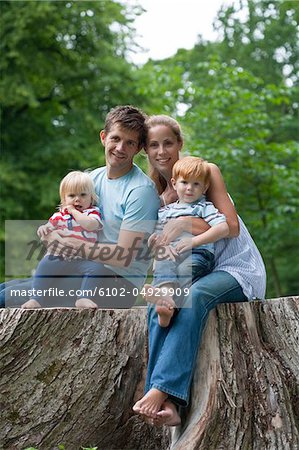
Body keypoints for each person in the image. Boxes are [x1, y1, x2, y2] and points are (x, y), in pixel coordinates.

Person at [133, 114, 266, 426]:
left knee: (194, 296)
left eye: (168, 143)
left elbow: (229, 227)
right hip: (190, 268)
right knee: (161, 304)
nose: (162, 151)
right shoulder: (156, 195)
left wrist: (181, 223)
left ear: (180, 144)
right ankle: (171, 406)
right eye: (153, 145)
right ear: (145, 151)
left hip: (234, 268)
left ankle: (159, 389)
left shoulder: (205, 172)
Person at [1, 105, 160, 308]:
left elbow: (125, 257)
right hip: (78, 270)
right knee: (7, 287)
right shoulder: (91, 179)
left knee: (9, 296)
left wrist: (72, 245)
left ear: (138, 148)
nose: (120, 148)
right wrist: (52, 236)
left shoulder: (140, 191)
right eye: (116, 138)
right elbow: (65, 219)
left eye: (130, 143)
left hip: (117, 284)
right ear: (103, 137)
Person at [143, 156, 229, 327]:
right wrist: (154, 243)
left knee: (184, 269)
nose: (189, 188)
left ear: (205, 187)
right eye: (184, 183)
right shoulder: (165, 211)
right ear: (174, 183)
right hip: (172, 254)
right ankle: (165, 299)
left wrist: (194, 242)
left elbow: (223, 228)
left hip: (198, 254)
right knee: (162, 262)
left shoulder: (204, 207)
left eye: (196, 184)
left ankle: (170, 308)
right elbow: (158, 238)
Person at [21, 170, 103, 309]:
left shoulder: (92, 212)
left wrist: (74, 211)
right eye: (72, 196)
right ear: (64, 200)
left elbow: (90, 225)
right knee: (44, 265)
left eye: (83, 195)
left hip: (84, 259)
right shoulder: (59, 215)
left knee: (97, 269)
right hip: (59, 257)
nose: (77, 199)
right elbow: (49, 227)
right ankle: (36, 299)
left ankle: (84, 297)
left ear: (91, 197)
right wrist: (43, 229)